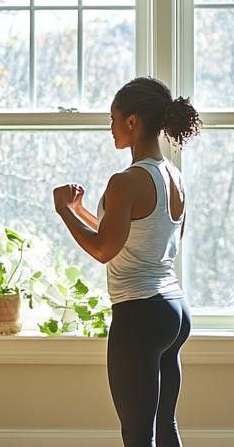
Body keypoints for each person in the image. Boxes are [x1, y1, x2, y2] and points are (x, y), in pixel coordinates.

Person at [52, 77, 202, 447]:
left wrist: (63, 212)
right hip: (173, 309)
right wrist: (81, 211)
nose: (111, 128)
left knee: (137, 436)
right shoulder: (173, 176)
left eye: (113, 118)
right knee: (165, 427)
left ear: (132, 122)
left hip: (140, 314)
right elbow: (143, 237)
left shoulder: (125, 181)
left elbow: (105, 249)